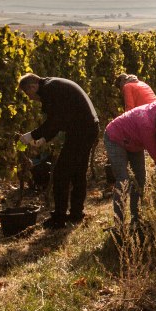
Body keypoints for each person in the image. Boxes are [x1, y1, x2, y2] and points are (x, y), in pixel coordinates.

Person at [18, 74, 99, 227]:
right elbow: (60, 117)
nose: (29, 98)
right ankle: (76, 214)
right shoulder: (52, 85)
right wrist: (44, 138)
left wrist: (32, 135)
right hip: (87, 128)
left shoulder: (49, 90)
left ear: (33, 86)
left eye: (28, 94)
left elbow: (55, 120)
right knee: (77, 172)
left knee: (61, 173)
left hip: (81, 131)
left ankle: (59, 218)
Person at [103, 98, 156, 226]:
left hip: (134, 141)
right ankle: (119, 224)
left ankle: (136, 219)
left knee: (140, 179)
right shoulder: (147, 126)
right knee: (123, 179)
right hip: (115, 137)